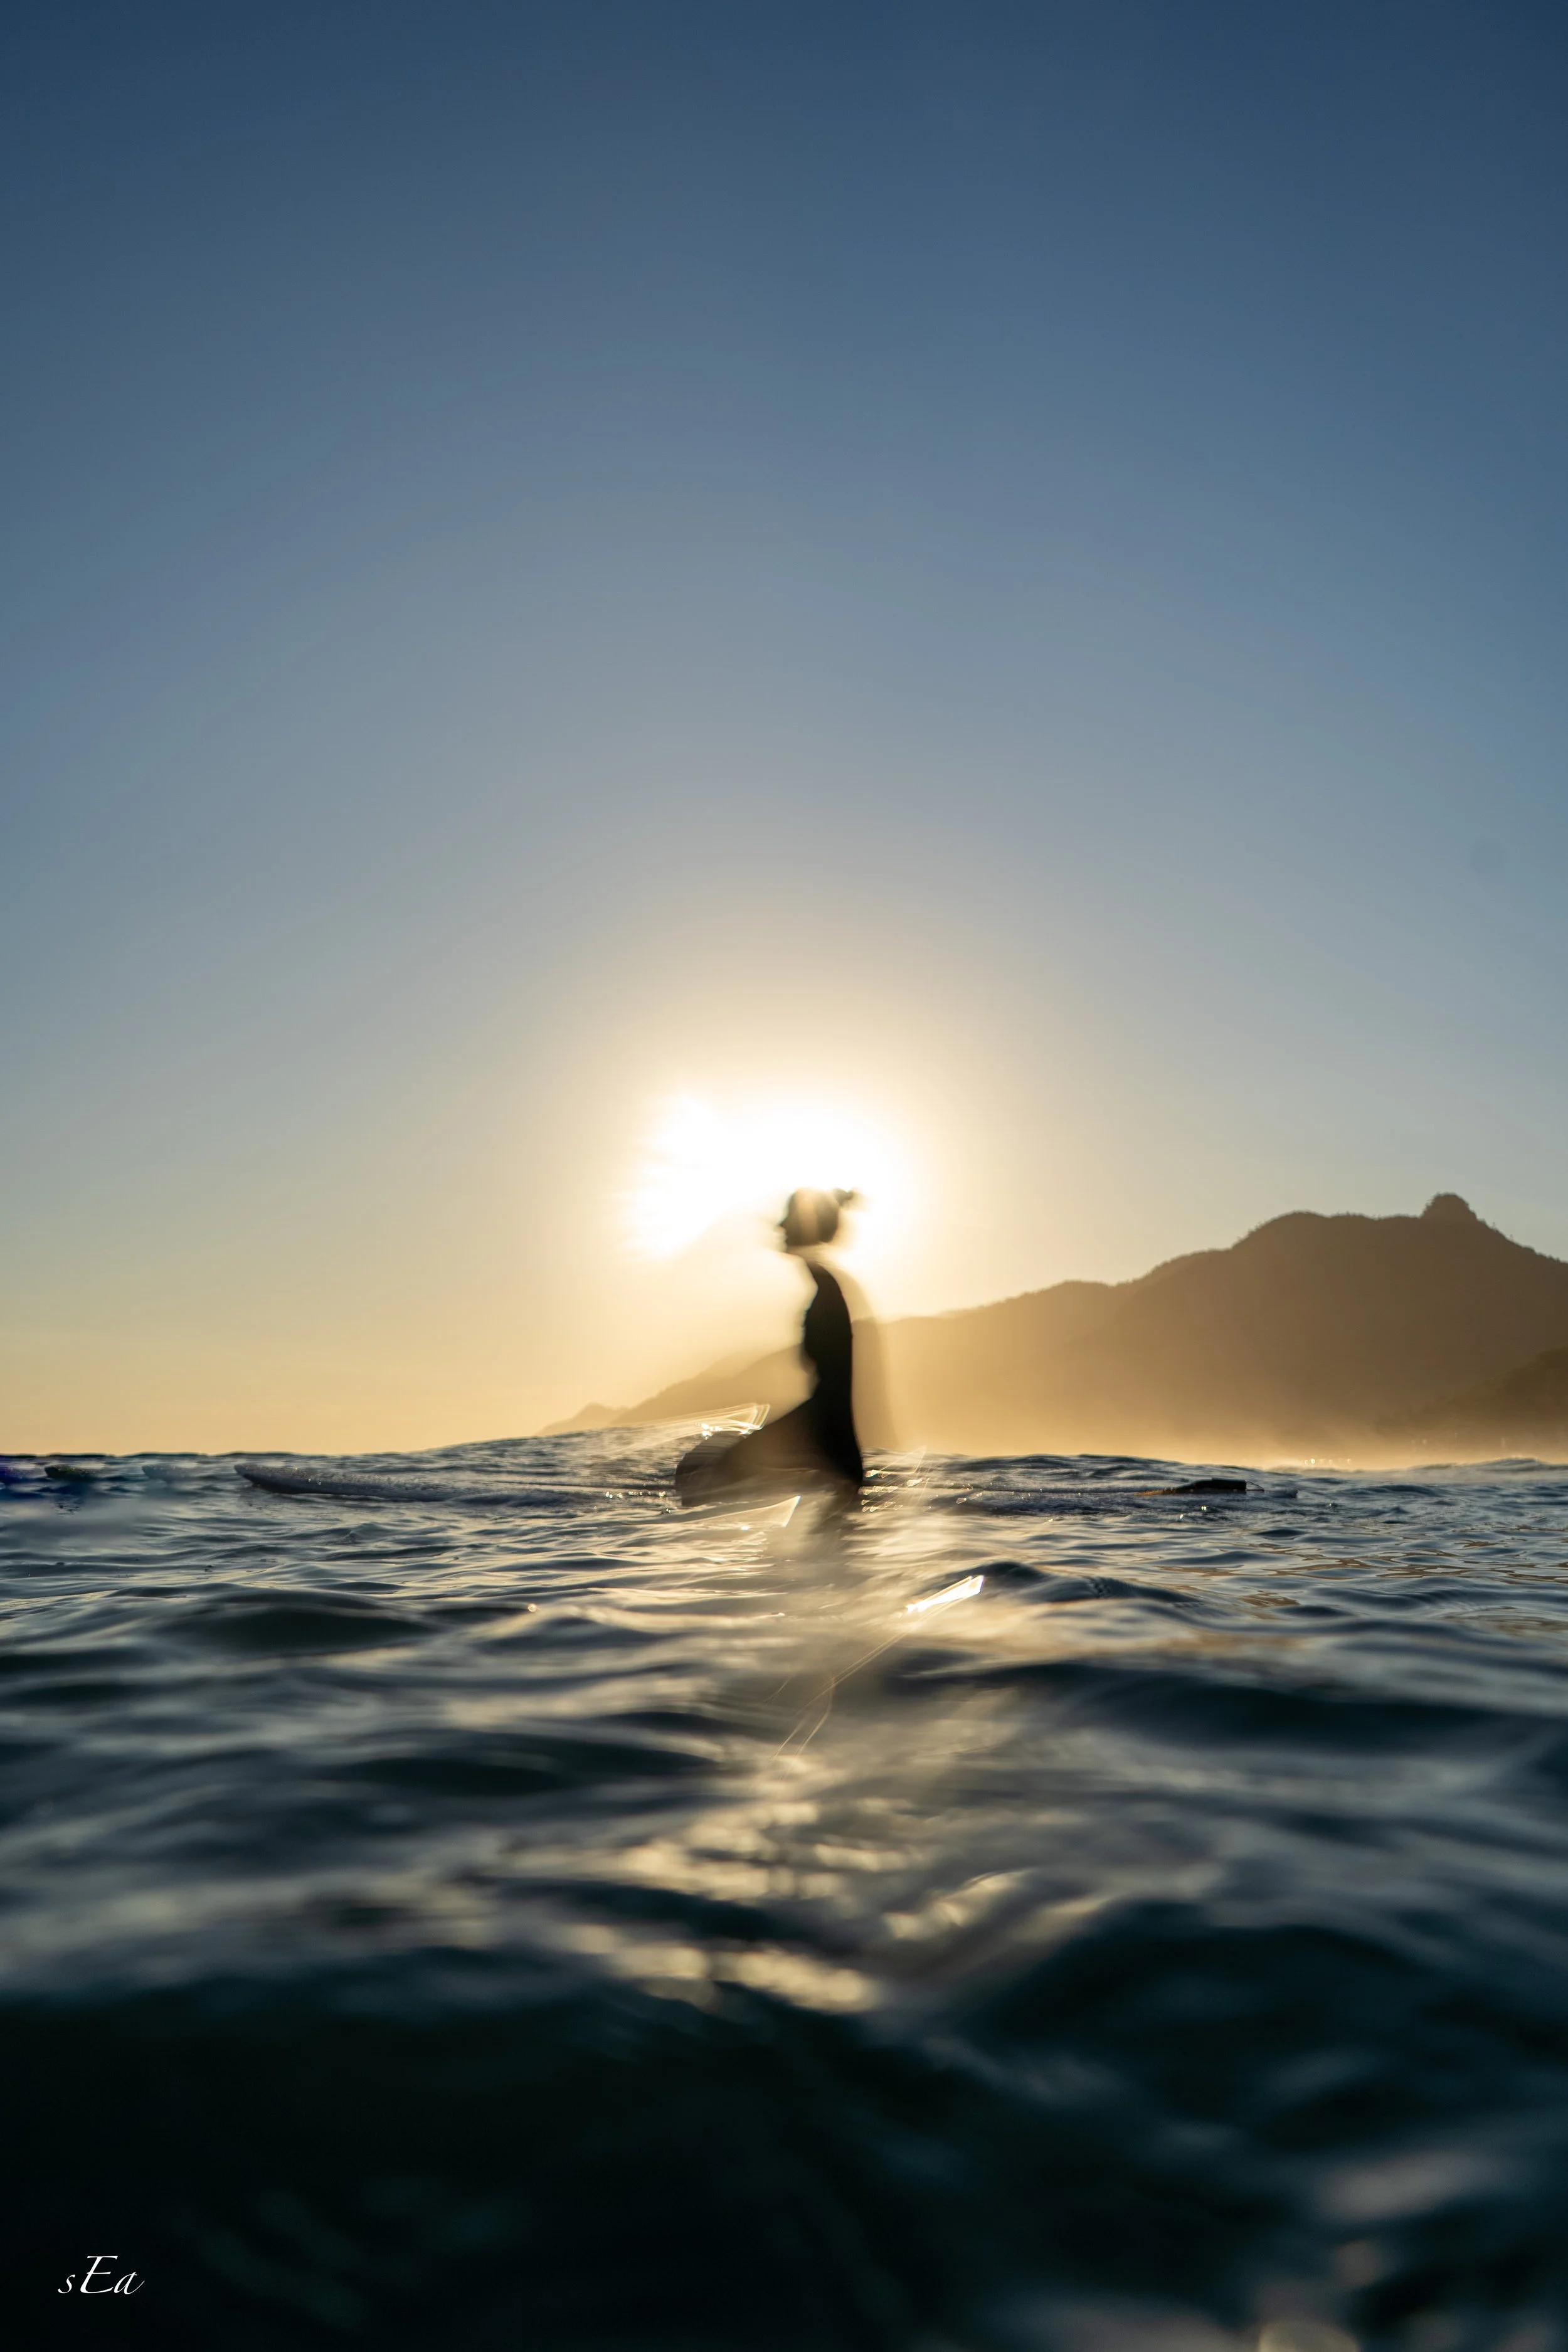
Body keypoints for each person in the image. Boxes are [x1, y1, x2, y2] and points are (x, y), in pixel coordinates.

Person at [675, 1187, 866, 1503]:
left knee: (700, 1479)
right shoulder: (826, 1289)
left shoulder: (828, 1295)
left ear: (807, 1228)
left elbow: (832, 1392)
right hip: (830, 1450)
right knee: (701, 1471)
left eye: (789, 1220)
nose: (780, 1228)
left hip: (829, 1454)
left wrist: (745, 1455)